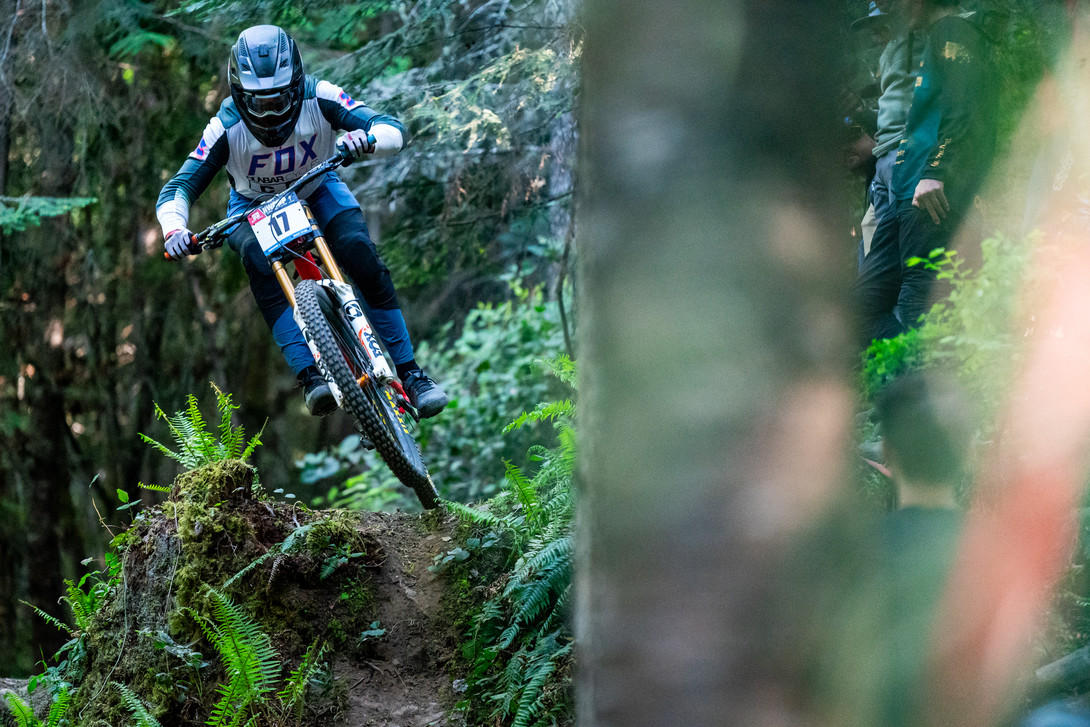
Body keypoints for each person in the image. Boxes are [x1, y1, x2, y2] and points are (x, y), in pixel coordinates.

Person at [155, 25, 448, 418]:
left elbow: (391, 127)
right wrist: (174, 230)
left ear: (297, 83)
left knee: (357, 250)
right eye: (258, 103)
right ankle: (312, 378)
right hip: (251, 205)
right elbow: (178, 188)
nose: (271, 111)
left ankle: (412, 375)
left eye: (280, 98)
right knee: (258, 262)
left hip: (317, 185)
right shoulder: (224, 128)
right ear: (239, 95)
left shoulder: (320, 95)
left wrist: (367, 140)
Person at [855, 0, 998, 345]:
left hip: (929, 195)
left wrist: (937, 170)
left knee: (918, 308)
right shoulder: (936, 38)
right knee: (861, 310)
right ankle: (902, 379)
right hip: (906, 194)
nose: (895, 10)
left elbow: (964, 108)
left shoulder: (955, 31)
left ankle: (920, 388)